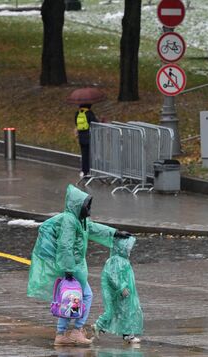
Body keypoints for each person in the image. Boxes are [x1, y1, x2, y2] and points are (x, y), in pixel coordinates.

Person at [27, 184, 131, 346]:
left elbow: (93, 228)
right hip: (72, 267)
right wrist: (68, 268)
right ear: (78, 205)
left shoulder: (78, 220)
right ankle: (76, 330)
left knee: (69, 299)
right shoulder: (70, 221)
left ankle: (61, 334)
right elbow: (65, 245)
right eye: (87, 206)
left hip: (74, 267)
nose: (89, 209)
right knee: (83, 297)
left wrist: (115, 233)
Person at [93, 235, 143, 344]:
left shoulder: (121, 259)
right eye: (128, 247)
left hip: (125, 291)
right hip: (122, 292)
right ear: (121, 247)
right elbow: (113, 276)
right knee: (123, 311)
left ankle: (125, 333)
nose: (129, 250)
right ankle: (101, 326)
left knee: (123, 311)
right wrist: (122, 288)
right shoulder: (116, 260)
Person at [74, 104, 98, 177]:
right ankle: (89, 171)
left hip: (81, 137)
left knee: (84, 154)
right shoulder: (89, 113)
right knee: (90, 154)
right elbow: (95, 123)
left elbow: (76, 123)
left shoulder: (78, 113)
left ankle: (84, 171)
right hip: (89, 136)